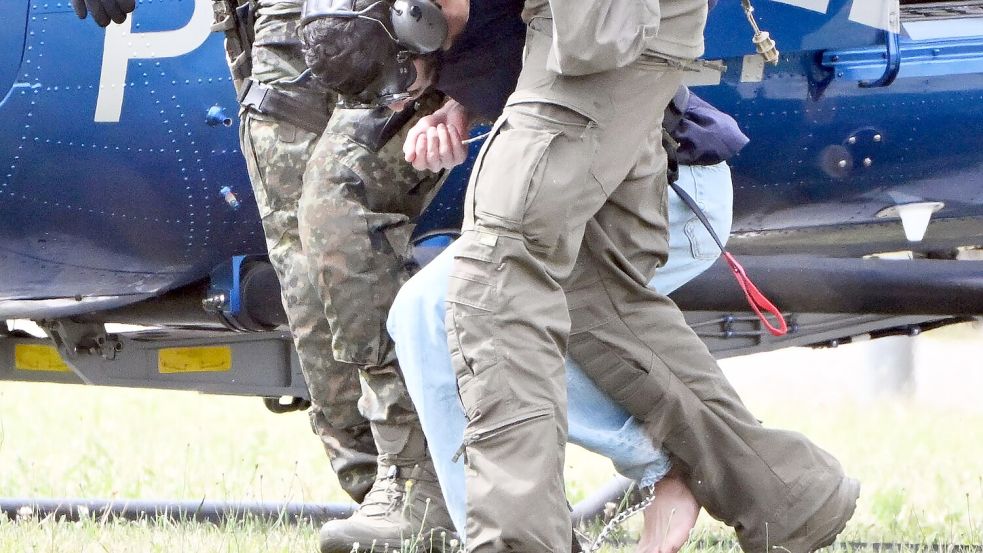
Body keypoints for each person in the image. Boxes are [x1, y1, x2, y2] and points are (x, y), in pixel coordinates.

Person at [301, 0, 861, 551]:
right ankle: (782, 491)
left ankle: (612, 490)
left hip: (683, 195)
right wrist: (460, 106)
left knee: (485, 285)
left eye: (407, 61)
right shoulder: (493, 41)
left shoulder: (546, 29)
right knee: (503, 300)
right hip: (613, 183)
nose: (411, 82)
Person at [71, 0, 458, 546]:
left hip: (383, 17)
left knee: (339, 212)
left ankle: (424, 479)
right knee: (302, 270)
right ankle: (388, 490)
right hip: (275, 24)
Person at [387, 88, 741, 548]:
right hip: (565, 199)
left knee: (447, 309)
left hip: (660, 197)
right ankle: (504, 538)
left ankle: (665, 458)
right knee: (423, 312)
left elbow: (570, 60)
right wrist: (459, 105)